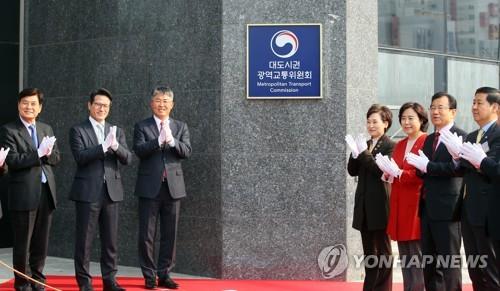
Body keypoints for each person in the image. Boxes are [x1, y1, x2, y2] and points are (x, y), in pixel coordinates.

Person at [69, 88, 132, 291]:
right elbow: (80, 157)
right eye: (98, 104)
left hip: (111, 192)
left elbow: (128, 158)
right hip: (88, 192)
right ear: (89, 105)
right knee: (84, 241)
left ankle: (110, 280)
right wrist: (103, 147)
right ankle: (85, 282)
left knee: (111, 240)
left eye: (105, 105)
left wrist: (115, 146)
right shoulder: (78, 130)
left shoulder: (116, 130)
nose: (101, 108)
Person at [1, 88, 60, 291]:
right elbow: (13, 160)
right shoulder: (9, 130)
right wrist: (38, 153)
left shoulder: (46, 128)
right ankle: (22, 283)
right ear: (19, 105)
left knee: (41, 243)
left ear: (40, 107)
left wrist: (49, 153)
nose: (29, 107)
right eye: (25, 102)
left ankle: (38, 279)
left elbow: (56, 158)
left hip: (46, 191)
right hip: (23, 193)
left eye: (33, 103)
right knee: (23, 243)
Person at [406, 92, 466, 291]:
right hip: (427, 209)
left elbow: (457, 169)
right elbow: (424, 170)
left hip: (448, 209)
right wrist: (419, 166)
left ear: (453, 112)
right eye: (432, 107)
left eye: (440, 107)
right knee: (430, 263)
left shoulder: (461, 136)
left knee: (449, 262)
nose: (435, 112)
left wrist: (428, 166)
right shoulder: (430, 138)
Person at [133, 86, 192, 290]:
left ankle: (164, 273)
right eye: (158, 100)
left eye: (166, 100)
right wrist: (157, 142)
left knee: (170, 234)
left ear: (172, 104)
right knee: (147, 235)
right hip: (149, 187)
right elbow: (139, 150)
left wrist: (172, 141)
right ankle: (149, 275)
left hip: (173, 187)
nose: (162, 104)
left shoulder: (180, 126)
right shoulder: (142, 126)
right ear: (152, 103)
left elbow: (187, 151)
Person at [347, 104, 395, 291]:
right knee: (369, 254)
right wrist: (353, 153)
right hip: (364, 207)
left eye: (375, 121)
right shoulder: (365, 144)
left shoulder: (391, 145)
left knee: (382, 253)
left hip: (380, 206)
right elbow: (352, 171)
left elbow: (379, 172)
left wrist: (363, 154)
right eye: (368, 121)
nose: (371, 125)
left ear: (385, 123)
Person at [458, 87, 500, 291]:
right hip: (470, 211)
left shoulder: (498, 134)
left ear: (495, 107)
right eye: (473, 102)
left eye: (479, 103)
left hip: (490, 213)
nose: (474, 107)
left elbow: (494, 169)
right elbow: (463, 168)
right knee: (475, 270)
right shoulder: (472, 135)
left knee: (491, 271)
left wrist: (481, 162)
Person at [385, 102, 428, 291]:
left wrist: (400, 173)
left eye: (411, 118)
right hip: (399, 202)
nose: (406, 122)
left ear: (421, 120)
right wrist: (388, 172)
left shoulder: (426, 141)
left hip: (416, 203)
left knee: (417, 254)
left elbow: (423, 174)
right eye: (403, 118)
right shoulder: (400, 143)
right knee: (405, 254)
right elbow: (395, 169)